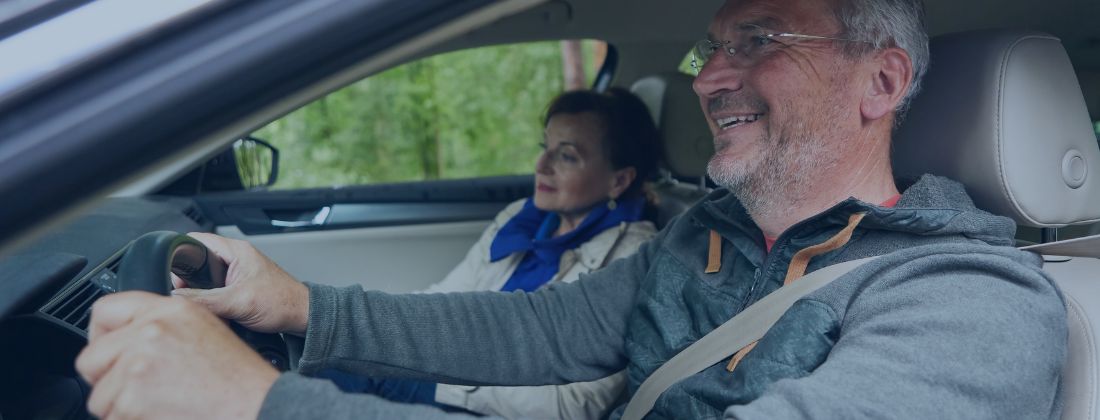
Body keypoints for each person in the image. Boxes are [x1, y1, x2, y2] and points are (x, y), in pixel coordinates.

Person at [75, 0, 1067, 419]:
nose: (707, 75)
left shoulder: (969, 299)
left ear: (880, 82)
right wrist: (300, 307)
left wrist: (260, 401)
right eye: (711, 46)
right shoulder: (706, 237)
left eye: (759, 38)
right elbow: (538, 331)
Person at [314, 88, 661, 419]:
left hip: (495, 406)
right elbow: (445, 297)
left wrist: (440, 371)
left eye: (567, 156)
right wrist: (374, 331)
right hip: (457, 382)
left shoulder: (634, 256)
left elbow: (572, 406)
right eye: (545, 148)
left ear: (619, 181)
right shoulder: (520, 218)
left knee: (352, 369)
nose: (541, 165)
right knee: (338, 351)